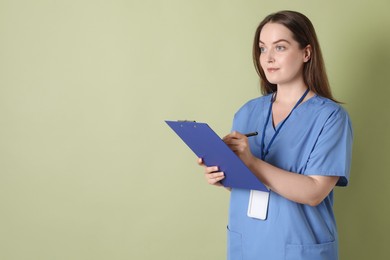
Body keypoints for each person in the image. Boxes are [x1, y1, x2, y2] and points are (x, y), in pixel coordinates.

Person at [198, 10, 353, 260]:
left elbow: (314, 192)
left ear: (306, 53)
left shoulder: (330, 117)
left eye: (279, 47)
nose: (268, 58)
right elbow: (252, 185)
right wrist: (224, 174)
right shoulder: (247, 112)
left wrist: (251, 162)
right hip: (247, 241)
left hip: (299, 246)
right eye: (262, 48)